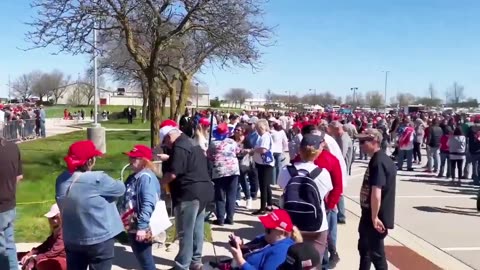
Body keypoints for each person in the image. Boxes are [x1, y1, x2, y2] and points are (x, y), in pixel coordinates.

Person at [55, 140, 126, 270]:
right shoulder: (97, 179)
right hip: (99, 240)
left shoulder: (61, 180)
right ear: (89, 161)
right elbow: (120, 189)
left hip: (72, 238)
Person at [159, 125, 214, 270]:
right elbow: (187, 163)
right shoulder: (192, 142)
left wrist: (159, 185)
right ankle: (195, 261)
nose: (167, 146)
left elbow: (173, 173)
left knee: (185, 232)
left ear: (169, 137)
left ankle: (182, 265)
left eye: (165, 142)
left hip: (188, 193)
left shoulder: (180, 145)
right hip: (203, 190)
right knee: (197, 229)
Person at [278, 134, 332, 267]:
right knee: (314, 263)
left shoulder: (286, 170)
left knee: (290, 262)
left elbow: (281, 186)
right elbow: (326, 194)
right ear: (318, 151)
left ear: (299, 150)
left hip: (291, 223)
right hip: (316, 225)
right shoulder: (323, 173)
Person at [357, 129, 396, 270]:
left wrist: (374, 217)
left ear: (375, 141)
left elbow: (376, 192)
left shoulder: (379, 162)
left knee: (376, 255)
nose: (360, 145)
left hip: (375, 217)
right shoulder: (377, 159)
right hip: (368, 214)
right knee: (365, 251)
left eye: (363, 142)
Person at [119, 145, 161, 270]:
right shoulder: (134, 177)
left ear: (144, 161)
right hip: (133, 225)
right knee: (142, 260)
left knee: (146, 261)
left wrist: (142, 227)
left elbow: (148, 203)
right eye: (130, 158)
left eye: (134, 158)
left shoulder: (145, 178)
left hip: (142, 226)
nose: (130, 161)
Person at [228, 209, 302, 270]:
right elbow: (249, 249)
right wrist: (239, 245)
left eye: (269, 229)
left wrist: (241, 261)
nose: (265, 230)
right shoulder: (265, 238)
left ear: (281, 232)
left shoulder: (281, 251)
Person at [208, 123, 241, 226]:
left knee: (220, 195)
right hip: (233, 170)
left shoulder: (213, 144)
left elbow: (209, 156)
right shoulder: (232, 142)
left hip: (219, 171)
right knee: (231, 195)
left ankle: (221, 219)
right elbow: (238, 152)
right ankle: (230, 218)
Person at [18, 204, 66, 270]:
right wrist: (30, 253)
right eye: (51, 218)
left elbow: (53, 252)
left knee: (42, 264)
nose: (53, 221)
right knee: (22, 255)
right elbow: (45, 245)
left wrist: (34, 258)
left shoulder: (65, 231)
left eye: (55, 217)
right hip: (54, 256)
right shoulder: (56, 230)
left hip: (63, 260)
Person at [0, 133, 23, 270]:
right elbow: (19, 176)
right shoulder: (13, 147)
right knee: (9, 245)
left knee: (1, 251)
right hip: (10, 204)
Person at [250, 119, 275, 215]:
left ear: (261, 127)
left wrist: (254, 150)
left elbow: (263, 150)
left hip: (265, 164)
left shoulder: (265, 137)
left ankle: (263, 208)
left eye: (257, 128)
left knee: (263, 186)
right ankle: (269, 204)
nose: (257, 130)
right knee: (266, 185)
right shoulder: (264, 136)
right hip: (262, 163)